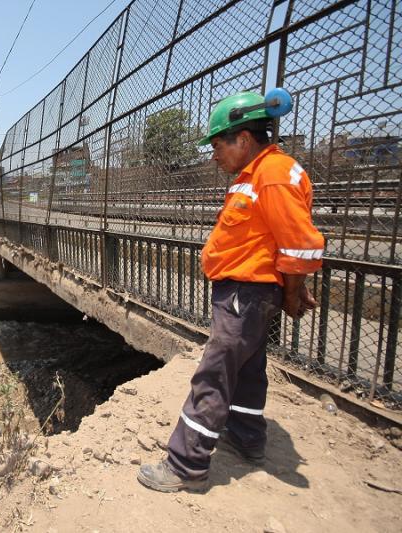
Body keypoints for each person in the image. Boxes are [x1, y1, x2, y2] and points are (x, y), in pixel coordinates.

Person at [137, 91, 325, 493]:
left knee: (215, 371)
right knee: (248, 370)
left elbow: (301, 243)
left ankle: (185, 465)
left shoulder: (271, 173)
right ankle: (246, 436)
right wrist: (291, 288)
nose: (213, 155)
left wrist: (292, 293)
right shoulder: (258, 173)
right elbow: (281, 240)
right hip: (248, 292)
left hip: (247, 292)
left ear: (242, 138)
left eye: (217, 144)